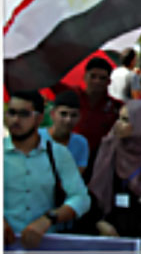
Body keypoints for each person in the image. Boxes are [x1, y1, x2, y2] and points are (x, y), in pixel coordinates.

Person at [4, 91, 90, 249]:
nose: (16, 120)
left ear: (39, 118)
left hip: (44, 243)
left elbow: (81, 198)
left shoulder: (58, 154)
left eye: (24, 114)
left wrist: (49, 219)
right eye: (11, 112)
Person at [87, 99, 141, 250]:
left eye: (125, 120)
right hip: (102, 233)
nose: (117, 124)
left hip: (137, 240)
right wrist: (98, 222)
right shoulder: (105, 150)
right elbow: (87, 191)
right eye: (119, 118)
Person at [65, 57, 123, 181]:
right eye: (93, 76)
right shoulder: (70, 96)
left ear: (109, 82)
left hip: (98, 166)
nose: (97, 81)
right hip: (68, 159)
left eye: (102, 78)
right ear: (85, 76)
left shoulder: (117, 107)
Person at [39, 90, 89, 174]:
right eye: (63, 114)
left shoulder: (81, 143)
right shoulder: (36, 136)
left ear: (79, 117)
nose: (68, 120)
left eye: (73, 115)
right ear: (52, 114)